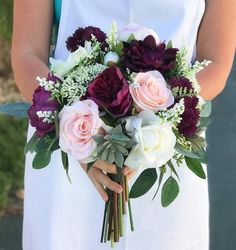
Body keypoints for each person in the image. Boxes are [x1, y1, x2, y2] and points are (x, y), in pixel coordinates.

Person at [11, 0, 236, 250]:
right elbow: (27, 53)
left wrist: (155, 121)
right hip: (69, 147)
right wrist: (77, 129)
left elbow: (216, 62)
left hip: (165, 150)